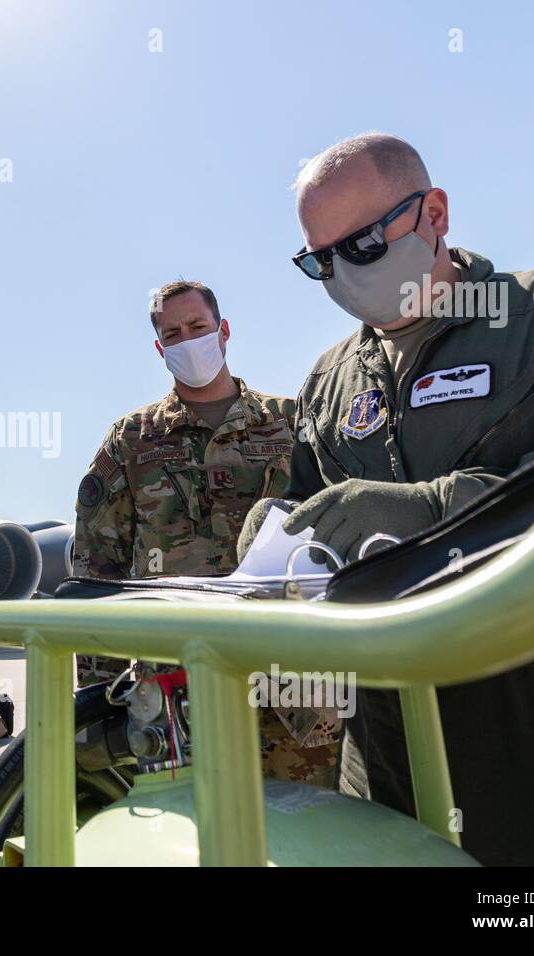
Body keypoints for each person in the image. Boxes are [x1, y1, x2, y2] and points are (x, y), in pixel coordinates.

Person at [241, 131, 534, 864]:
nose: (343, 274)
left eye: (364, 244)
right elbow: (306, 509)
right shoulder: (329, 382)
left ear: (434, 213)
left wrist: (444, 514)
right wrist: (272, 539)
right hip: (389, 763)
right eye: (321, 260)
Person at [73, 280, 341, 787]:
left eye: (197, 327)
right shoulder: (133, 440)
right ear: (160, 349)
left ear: (223, 330)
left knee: (306, 830)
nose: (187, 340)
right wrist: (97, 696)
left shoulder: (290, 424)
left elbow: (334, 540)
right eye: (173, 333)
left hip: (291, 681)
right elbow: (96, 567)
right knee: (188, 835)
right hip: (177, 686)